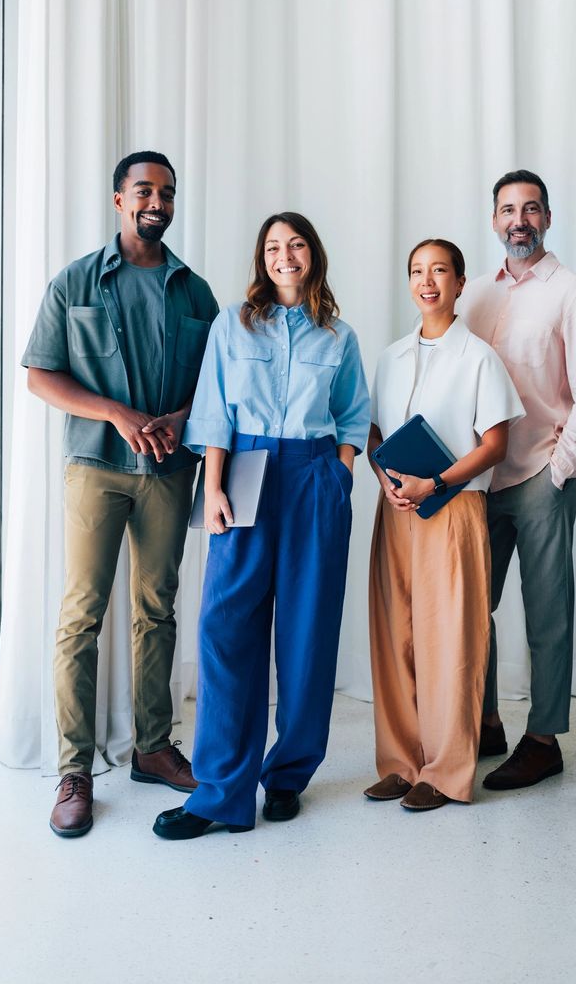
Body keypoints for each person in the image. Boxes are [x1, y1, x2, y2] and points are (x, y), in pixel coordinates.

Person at [153, 212, 370, 840]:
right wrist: (214, 484)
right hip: (244, 468)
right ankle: (221, 794)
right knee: (227, 627)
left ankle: (287, 777)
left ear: (313, 255)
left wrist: (338, 474)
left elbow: (353, 416)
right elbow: (216, 408)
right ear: (261, 258)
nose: (285, 256)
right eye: (274, 247)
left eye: (296, 244)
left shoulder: (339, 337)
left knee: (307, 633)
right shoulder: (233, 323)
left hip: (313, 474)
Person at [23, 151, 218, 837]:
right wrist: (116, 412)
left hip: (169, 471)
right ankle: (74, 767)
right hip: (95, 467)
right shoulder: (75, 280)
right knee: (81, 614)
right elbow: (40, 375)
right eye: (144, 190)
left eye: (166, 192)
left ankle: (152, 745)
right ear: (118, 199)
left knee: (156, 607)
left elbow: (218, 385)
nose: (156, 201)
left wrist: (178, 419)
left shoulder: (195, 291)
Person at [459, 169, 576, 790]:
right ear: (494, 220)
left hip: (540, 474)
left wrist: (561, 469)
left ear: (547, 218)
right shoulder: (474, 294)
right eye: (507, 210)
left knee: (548, 614)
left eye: (530, 209)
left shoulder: (574, 294)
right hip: (479, 478)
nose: (518, 220)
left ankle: (544, 739)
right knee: (475, 607)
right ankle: (488, 719)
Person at [365, 239, 523, 811]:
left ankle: (448, 771)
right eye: (416, 271)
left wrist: (436, 484)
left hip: (452, 509)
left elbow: (495, 444)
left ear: (460, 283)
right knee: (395, 635)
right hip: (397, 509)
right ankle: (400, 764)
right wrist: (385, 477)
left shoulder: (477, 356)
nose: (427, 281)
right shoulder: (389, 357)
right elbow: (375, 433)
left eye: (439, 271)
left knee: (449, 638)